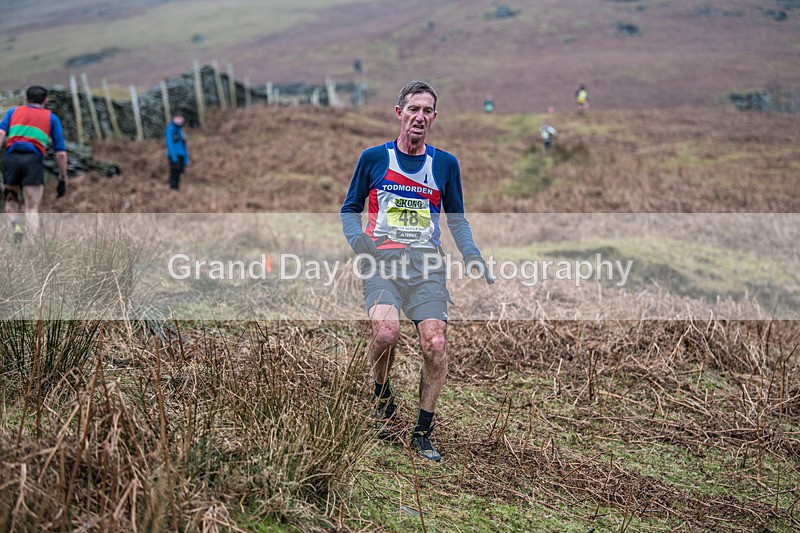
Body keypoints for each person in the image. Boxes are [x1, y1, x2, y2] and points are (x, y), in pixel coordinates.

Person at [341, 81, 493, 462]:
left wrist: (472, 253)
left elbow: (457, 220)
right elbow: (349, 209)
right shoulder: (374, 158)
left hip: (427, 267)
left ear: (434, 118)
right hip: (381, 264)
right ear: (399, 113)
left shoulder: (445, 165)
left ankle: (423, 431)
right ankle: (382, 401)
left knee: (435, 344)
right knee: (386, 333)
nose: (419, 117)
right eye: (413, 110)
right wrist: (358, 239)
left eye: (427, 111)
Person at [0, 85, 68, 243]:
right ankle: (32, 244)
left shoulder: (13, 112)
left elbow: (1, 133)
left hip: (11, 158)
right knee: (31, 207)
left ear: (25, 98)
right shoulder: (51, 118)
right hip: (33, 160)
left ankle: (16, 225)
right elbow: (61, 153)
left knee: (11, 200)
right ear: (46, 100)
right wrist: (62, 177)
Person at [165, 114, 189, 190]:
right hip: (174, 155)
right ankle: (173, 188)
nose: (180, 121)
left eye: (181, 119)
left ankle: (177, 188)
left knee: (179, 173)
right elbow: (170, 144)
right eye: (178, 119)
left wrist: (186, 158)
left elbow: (183, 144)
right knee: (174, 172)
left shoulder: (180, 130)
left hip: (181, 155)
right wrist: (173, 157)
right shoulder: (170, 129)